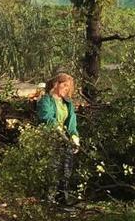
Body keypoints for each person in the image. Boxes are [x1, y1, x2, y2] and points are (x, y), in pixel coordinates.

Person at [37, 72, 80, 206]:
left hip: (65, 139)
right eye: (65, 85)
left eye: (69, 87)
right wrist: (58, 130)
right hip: (50, 138)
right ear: (56, 84)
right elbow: (47, 118)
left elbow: (72, 121)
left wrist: (74, 136)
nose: (67, 89)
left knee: (67, 168)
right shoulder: (46, 100)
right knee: (52, 168)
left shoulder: (67, 103)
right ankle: (48, 200)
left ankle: (63, 199)